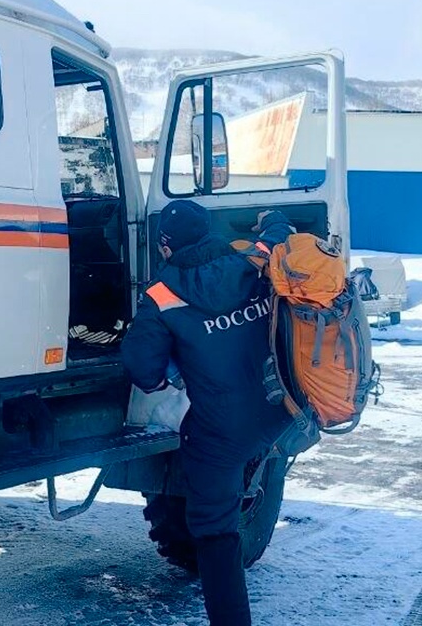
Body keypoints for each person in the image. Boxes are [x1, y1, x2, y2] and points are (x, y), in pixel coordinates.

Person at [121, 201, 295, 626]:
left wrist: (173, 370)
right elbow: (278, 235)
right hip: (278, 410)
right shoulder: (253, 261)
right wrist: (274, 220)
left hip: (220, 434)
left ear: (165, 245)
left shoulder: (161, 294)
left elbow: (144, 370)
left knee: (216, 533)